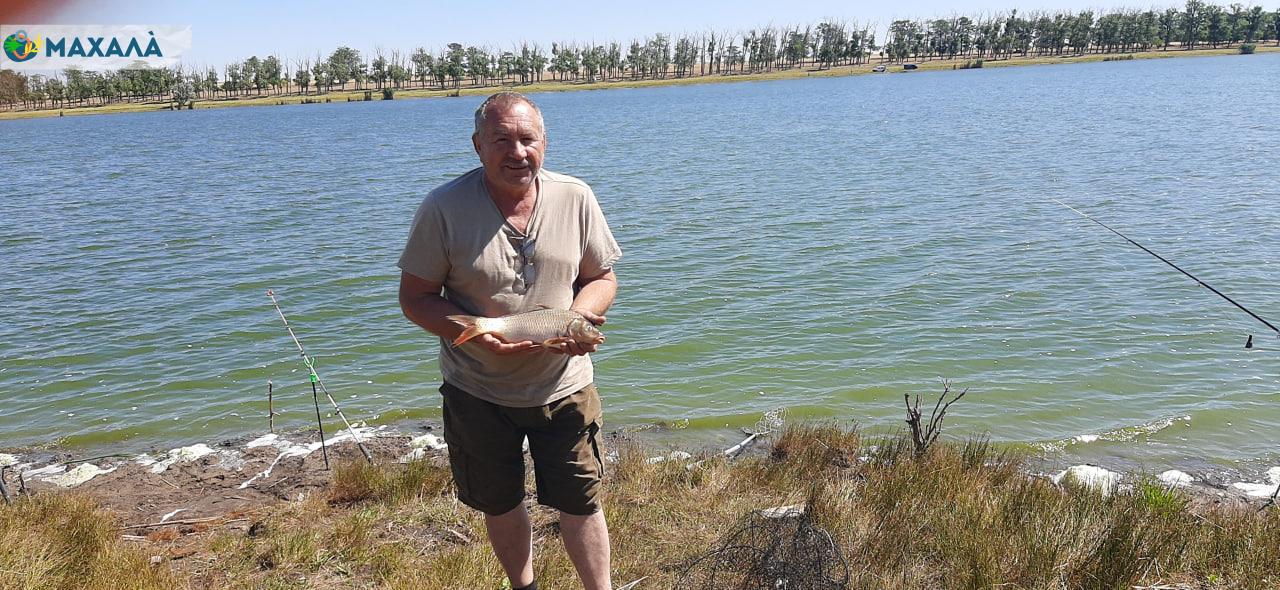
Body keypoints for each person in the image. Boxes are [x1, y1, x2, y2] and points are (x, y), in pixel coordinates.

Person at [398, 91, 621, 590]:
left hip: (565, 387)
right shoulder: (443, 208)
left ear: (545, 142)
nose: (517, 152)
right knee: (500, 501)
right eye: (501, 140)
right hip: (477, 392)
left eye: (527, 139)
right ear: (477, 145)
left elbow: (602, 278)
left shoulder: (575, 196)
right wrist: (477, 336)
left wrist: (576, 318)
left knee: (582, 499)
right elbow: (415, 298)